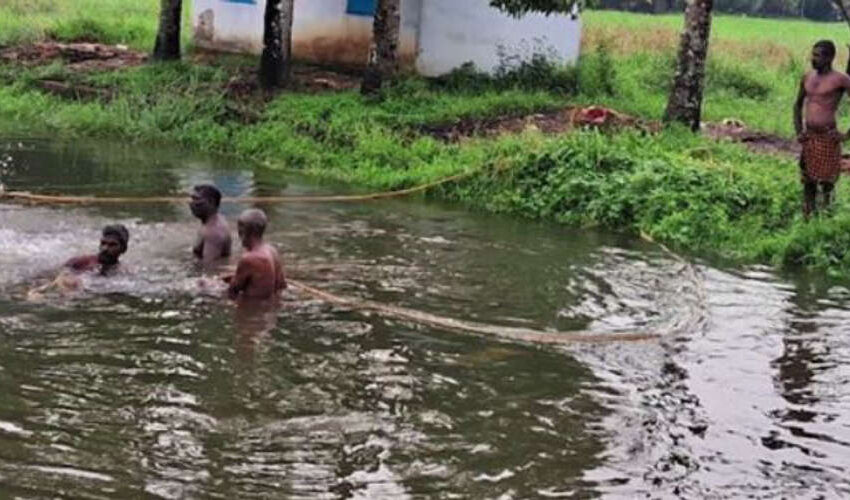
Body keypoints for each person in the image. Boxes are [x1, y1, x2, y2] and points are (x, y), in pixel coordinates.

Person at [793, 40, 850, 218]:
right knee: (808, 179)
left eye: (818, 56)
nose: (813, 59)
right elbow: (797, 105)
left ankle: (827, 217)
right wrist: (799, 131)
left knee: (827, 181)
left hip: (828, 136)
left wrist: (846, 135)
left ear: (830, 57)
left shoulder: (841, 79)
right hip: (810, 136)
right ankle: (808, 216)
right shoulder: (807, 77)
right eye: (813, 54)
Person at [27, 224, 130, 299]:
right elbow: (56, 273)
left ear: (123, 249)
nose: (105, 248)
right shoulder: (82, 261)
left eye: (112, 245)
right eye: (103, 243)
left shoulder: (122, 273)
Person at [223, 209, 286, 300]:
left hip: (252, 307)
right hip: (270, 307)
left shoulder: (249, 258)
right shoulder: (272, 250)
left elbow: (233, 291)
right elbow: (282, 285)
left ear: (242, 231)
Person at [190, 184, 232, 264]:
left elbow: (209, 269)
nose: (192, 204)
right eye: (192, 199)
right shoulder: (211, 221)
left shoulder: (214, 233)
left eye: (196, 199)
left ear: (211, 202)